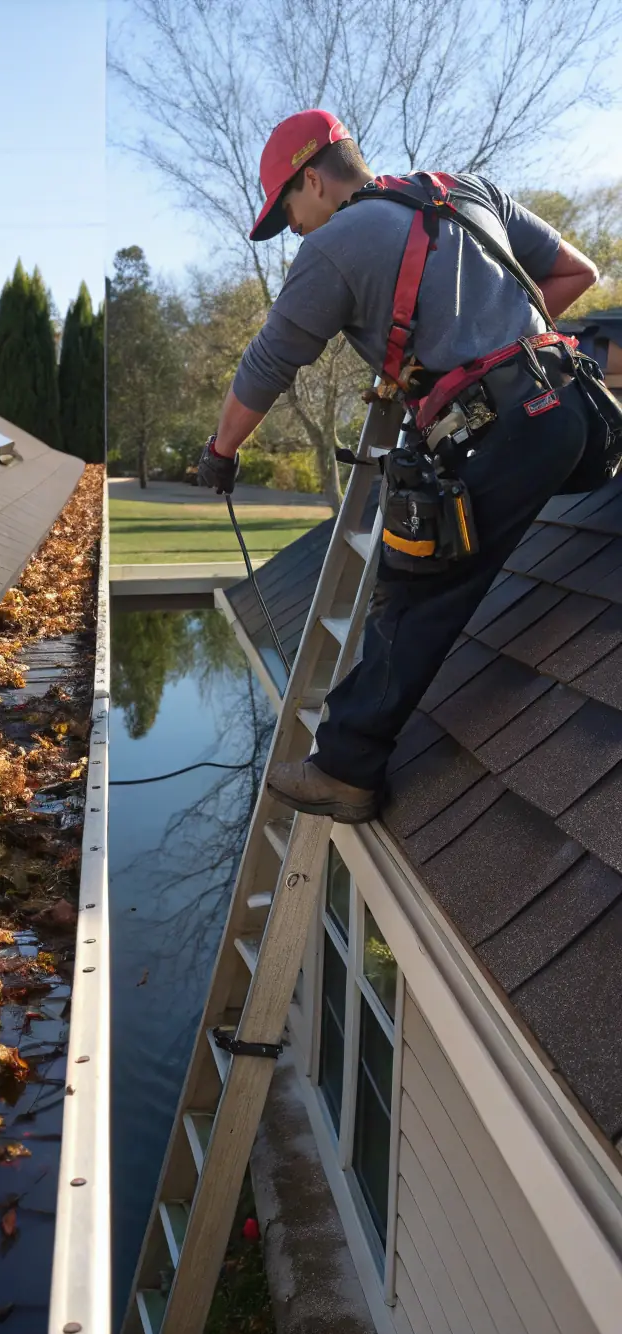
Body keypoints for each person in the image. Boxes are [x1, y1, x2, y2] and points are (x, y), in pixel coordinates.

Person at [197, 108, 600, 823]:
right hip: (572, 412)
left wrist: (220, 452)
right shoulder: (465, 188)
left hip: (505, 434)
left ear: (312, 180)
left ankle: (344, 769)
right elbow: (577, 273)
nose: (293, 230)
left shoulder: (335, 245)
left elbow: (267, 365)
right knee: (435, 572)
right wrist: (484, 352)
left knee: (413, 593)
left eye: (287, 213)